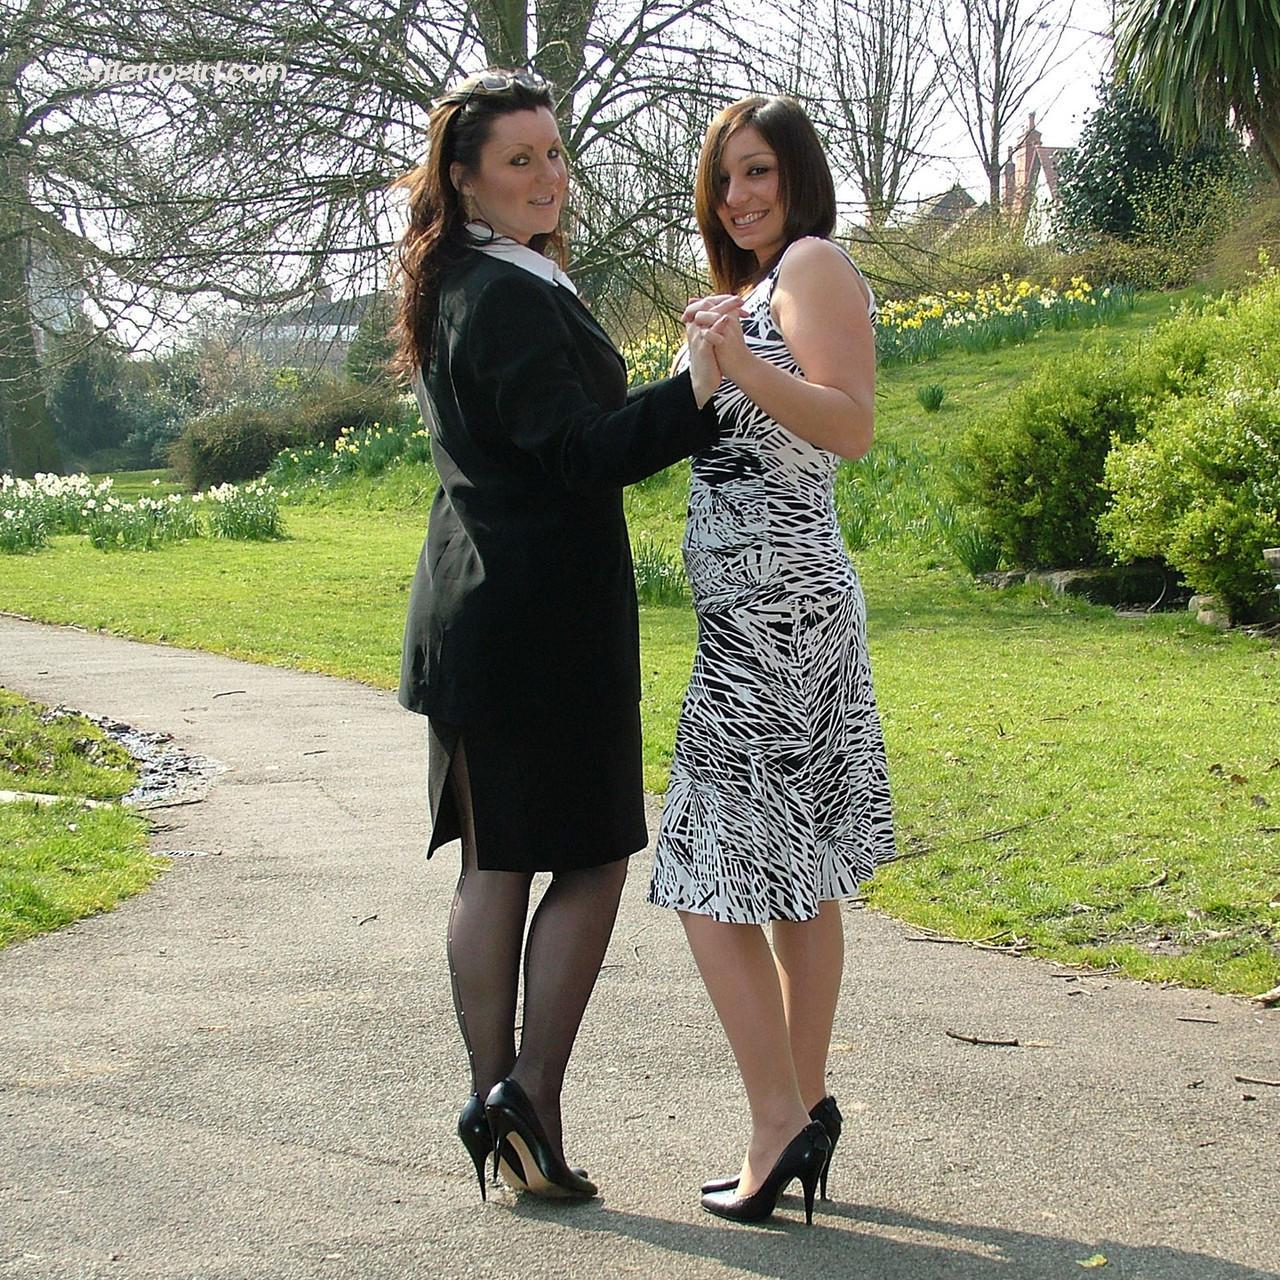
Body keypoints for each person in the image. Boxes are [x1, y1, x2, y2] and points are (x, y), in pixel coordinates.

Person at [390, 68, 724, 1202]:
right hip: (536, 626)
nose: (546, 177)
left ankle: (512, 1112)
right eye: (519, 159)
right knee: (585, 855)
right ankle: (523, 1096)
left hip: (486, 620)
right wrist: (697, 386)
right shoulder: (506, 294)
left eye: (553, 153)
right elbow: (582, 452)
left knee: (502, 863)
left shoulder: (464, 284)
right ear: (467, 177)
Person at [648, 95, 896, 1226]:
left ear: (795, 175)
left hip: (778, 627)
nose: (737, 196)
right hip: (753, 624)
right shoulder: (755, 291)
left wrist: (737, 362)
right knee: (790, 874)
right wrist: (711, 359)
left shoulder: (810, 263)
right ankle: (797, 1105)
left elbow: (846, 423)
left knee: (703, 870)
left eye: (755, 172)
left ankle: (775, 1118)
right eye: (722, 180)